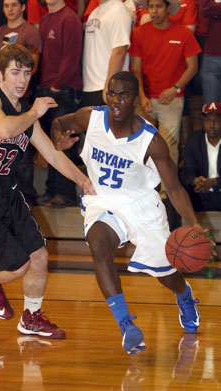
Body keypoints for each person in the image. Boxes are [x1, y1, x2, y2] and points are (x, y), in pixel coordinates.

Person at [51, 71, 207, 355]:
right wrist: (57, 139)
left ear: (135, 100)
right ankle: (126, 326)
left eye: (123, 95)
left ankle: (184, 296)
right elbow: (60, 122)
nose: (115, 100)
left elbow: (173, 188)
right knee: (98, 245)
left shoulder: (151, 141)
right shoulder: (91, 118)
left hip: (141, 205)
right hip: (103, 202)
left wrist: (194, 224)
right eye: (111, 93)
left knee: (165, 273)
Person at [0, 44, 95, 338]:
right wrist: (35, 112)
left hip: (6, 193)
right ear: (0, 73)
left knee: (39, 255)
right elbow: (3, 130)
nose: (22, 79)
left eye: (27, 73)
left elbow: (52, 155)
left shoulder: (26, 116)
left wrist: (84, 181)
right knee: (17, 265)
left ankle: (31, 317)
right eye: (15, 72)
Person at [129, 0, 201, 230]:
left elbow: (193, 66)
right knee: (141, 147)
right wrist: (141, 97)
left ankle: (165, 194)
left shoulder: (183, 33)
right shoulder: (139, 33)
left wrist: (176, 88)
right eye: (151, 7)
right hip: (146, 99)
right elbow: (136, 69)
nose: (154, 11)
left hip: (172, 99)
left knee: (170, 145)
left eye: (159, 6)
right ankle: (142, 190)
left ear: (169, 9)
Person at [0, 0, 42, 206]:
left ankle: (26, 196)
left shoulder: (30, 31)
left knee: (24, 149)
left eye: (14, 5)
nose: (10, 9)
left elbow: (31, 66)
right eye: (6, 5)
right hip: (0, 96)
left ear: (23, 7)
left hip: (22, 98)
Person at [35, 0, 84, 208]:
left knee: (64, 142)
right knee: (49, 143)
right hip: (46, 88)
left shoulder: (70, 18)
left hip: (65, 89)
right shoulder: (45, 19)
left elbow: (71, 57)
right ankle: (51, 190)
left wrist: (56, 84)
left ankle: (66, 194)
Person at [81, 0, 132, 107]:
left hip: (106, 87)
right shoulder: (95, 11)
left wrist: (110, 87)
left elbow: (120, 51)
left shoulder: (119, 10)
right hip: (90, 86)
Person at [181, 101, 221, 211]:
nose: (211, 125)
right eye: (208, 120)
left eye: (216, 121)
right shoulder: (194, 139)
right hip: (201, 194)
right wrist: (196, 181)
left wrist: (214, 182)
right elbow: (186, 172)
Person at [199, 0, 221, 104]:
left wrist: (216, 10)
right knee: (211, 107)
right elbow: (205, 8)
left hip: (212, 53)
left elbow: (210, 8)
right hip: (212, 52)